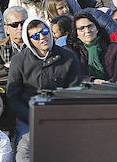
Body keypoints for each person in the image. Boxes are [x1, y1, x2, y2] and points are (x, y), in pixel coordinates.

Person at [7, 17, 82, 162]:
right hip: (28, 117)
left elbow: (74, 92)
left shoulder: (68, 57)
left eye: (45, 31)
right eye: (35, 36)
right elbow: (13, 97)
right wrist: (33, 117)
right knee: (24, 155)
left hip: (60, 116)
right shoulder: (19, 60)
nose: (42, 37)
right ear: (29, 40)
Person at [65, 11, 117, 82]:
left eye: (90, 26)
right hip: (83, 90)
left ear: (97, 28)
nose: (87, 31)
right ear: (76, 33)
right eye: (82, 28)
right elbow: (70, 76)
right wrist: (92, 81)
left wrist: (110, 82)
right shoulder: (69, 51)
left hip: (114, 88)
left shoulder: (114, 48)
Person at [0, 6, 27, 86]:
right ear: (7, 29)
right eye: (14, 25)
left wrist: (11, 66)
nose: (20, 28)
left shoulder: (36, 44)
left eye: (23, 23)